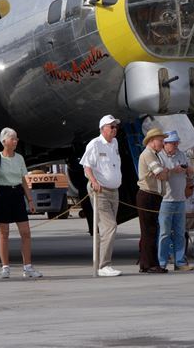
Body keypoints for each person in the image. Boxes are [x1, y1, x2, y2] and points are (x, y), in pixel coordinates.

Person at [0, 127, 43, 279]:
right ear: (4, 141)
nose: (16, 141)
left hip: (17, 194)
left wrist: (30, 200)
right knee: (3, 233)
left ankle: (28, 267)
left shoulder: (19, 158)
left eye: (16, 138)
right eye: (13, 138)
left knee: (26, 232)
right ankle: (5, 267)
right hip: (3, 194)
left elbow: (24, 180)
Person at [81, 115, 123, 277]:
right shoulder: (95, 144)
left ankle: (101, 263)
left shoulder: (115, 143)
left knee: (106, 230)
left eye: (115, 127)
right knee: (110, 226)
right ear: (102, 129)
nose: (114, 130)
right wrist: (94, 182)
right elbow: (87, 165)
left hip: (114, 191)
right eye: (111, 127)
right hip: (100, 191)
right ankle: (104, 265)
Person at [157, 130, 194, 272]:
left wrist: (189, 171)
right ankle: (161, 262)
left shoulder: (182, 154)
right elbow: (160, 175)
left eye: (176, 142)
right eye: (173, 142)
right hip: (165, 200)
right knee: (164, 233)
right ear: (165, 144)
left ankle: (179, 261)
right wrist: (174, 170)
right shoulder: (159, 156)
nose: (176, 145)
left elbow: (190, 172)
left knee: (180, 232)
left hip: (180, 199)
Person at [137, 127, 169, 273]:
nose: (163, 143)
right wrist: (165, 172)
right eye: (160, 140)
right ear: (152, 141)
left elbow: (162, 174)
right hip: (148, 195)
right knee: (150, 230)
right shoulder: (149, 155)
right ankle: (150, 264)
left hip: (152, 195)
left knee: (149, 230)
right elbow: (160, 173)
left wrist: (164, 172)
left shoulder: (155, 155)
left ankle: (146, 262)